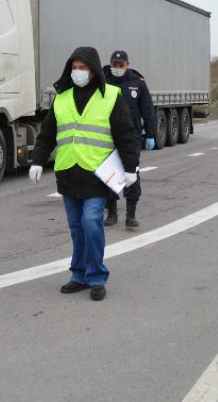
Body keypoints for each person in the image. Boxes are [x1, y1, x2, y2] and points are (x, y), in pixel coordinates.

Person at [29, 47, 139, 301]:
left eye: (83, 68)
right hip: (68, 172)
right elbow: (47, 134)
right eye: (74, 68)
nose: (78, 72)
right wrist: (36, 161)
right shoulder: (62, 98)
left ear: (94, 70)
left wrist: (131, 167)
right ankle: (79, 275)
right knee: (77, 228)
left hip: (97, 173)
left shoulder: (111, 96)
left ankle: (97, 276)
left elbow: (126, 134)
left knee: (91, 222)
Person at [103, 50, 156, 228]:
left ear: (127, 64)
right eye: (114, 65)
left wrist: (150, 134)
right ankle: (111, 213)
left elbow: (148, 110)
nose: (117, 68)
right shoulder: (102, 81)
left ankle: (131, 214)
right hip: (107, 135)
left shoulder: (137, 83)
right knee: (109, 174)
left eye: (121, 65)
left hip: (131, 136)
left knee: (131, 173)